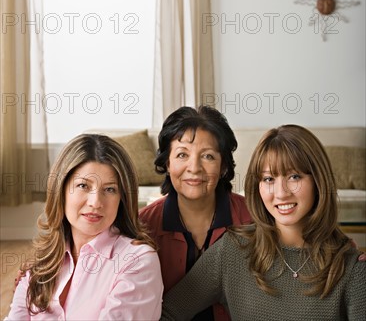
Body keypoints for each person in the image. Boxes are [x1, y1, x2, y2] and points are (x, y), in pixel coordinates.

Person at [161, 124, 366, 321]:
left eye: (294, 176)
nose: (281, 193)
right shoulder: (232, 250)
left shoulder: (352, 266)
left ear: (318, 182)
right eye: (269, 179)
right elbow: (167, 313)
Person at [6, 134, 163, 321]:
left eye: (110, 189)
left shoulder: (138, 262)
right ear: (61, 190)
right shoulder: (41, 263)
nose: (95, 202)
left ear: (122, 198)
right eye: (83, 185)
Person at [139, 105, 251, 321]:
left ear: (224, 166)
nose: (194, 167)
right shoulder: (142, 227)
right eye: (182, 154)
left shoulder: (253, 219)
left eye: (208, 156)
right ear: (167, 163)